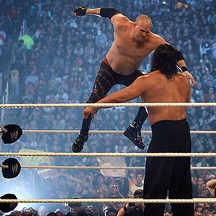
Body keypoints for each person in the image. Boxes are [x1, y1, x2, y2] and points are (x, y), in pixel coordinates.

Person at [83, 44, 194, 216]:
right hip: (183, 131)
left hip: (163, 132)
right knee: (181, 182)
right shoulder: (183, 80)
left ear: (155, 60)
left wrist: (95, 106)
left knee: (156, 179)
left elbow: (121, 97)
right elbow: (186, 102)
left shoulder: (147, 80)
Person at [72, 6, 195, 152]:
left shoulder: (154, 40)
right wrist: (87, 11)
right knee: (91, 105)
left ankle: (134, 127)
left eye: (147, 32)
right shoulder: (122, 24)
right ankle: (83, 134)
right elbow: (109, 12)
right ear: (134, 25)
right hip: (109, 70)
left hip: (131, 73)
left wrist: (185, 70)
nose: (144, 35)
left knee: (152, 91)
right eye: (141, 31)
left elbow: (174, 53)